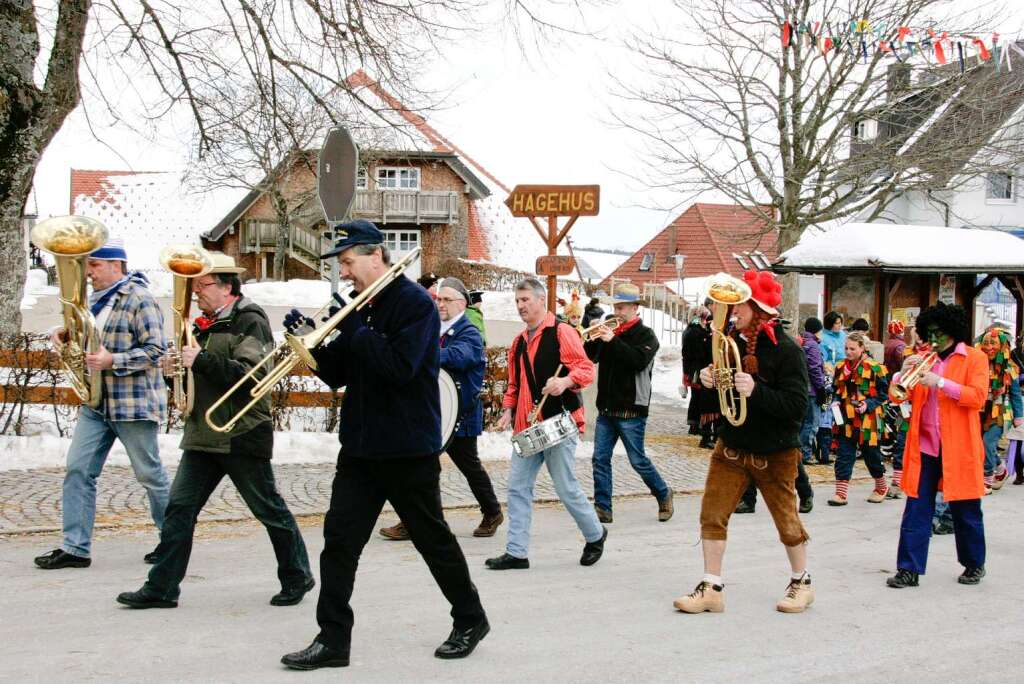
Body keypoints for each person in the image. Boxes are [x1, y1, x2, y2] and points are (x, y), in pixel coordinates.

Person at [281, 220, 488, 670]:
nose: (346, 272)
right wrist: (308, 344)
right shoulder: (362, 308)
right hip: (361, 447)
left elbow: (399, 368)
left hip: (407, 447)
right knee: (339, 541)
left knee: (432, 539)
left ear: (375, 255)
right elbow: (339, 372)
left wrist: (354, 330)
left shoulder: (415, 305)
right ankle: (333, 639)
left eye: (349, 262)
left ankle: (470, 618)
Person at [116, 253, 313, 609]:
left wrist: (200, 360)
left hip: (240, 431)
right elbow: (196, 378)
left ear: (227, 288)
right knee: (179, 510)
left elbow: (253, 377)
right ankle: (161, 587)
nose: (195, 293)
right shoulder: (202, 325)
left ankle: (297, 575)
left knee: (268, 508)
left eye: (201, 285)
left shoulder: (250, 320)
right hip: (204, 433)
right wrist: (171, 369)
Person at [673, 270, 813, 615]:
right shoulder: (728, 342)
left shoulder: (788, 350)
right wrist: (706, 379)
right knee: (712, 515)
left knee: (786, 520)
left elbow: (797, 407)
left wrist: (757, 391)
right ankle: (711, 587)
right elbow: (721, 392)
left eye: (740, 305)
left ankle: (802, 582)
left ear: (758, 309)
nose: (732, 310)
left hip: (775, 450)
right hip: (732, 445)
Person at [34, 237, 171, 570]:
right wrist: (64, 333)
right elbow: (87, 336)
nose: (89, 272)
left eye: (94, 265)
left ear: (116, 265)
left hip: (132, 405)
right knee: (78, 469)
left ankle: (173, 541)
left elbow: (156, 351)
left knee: (150, 475)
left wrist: (114, 360)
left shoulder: (140, 299)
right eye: (87, 266)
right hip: (96, 404)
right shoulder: (92, 300)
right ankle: (75, 548)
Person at [485, 277, 607, 570]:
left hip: (559, 423)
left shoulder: (562, 331)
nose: (520, 306)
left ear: (542, 301)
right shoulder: (518, 341)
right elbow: (515, 384)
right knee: (517, 487)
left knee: (565, 486)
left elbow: (585, 369)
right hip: (528, 428)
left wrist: (564, 381)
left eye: (526, 300)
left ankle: (595, 534)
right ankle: (517, 552)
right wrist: (508, 410)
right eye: (517, 301)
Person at [379, 277, 504, 540]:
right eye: (438, 299)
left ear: (461, 303)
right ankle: (415, 521)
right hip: (435, 412)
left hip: (461, 413)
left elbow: (460, 356)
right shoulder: (434, 328)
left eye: (446, 300)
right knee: (422, 467)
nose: (441, 304)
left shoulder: (469, 332)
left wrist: (424, 355)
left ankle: (492, 511)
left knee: (469, 466)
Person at [886, 302, 989, 589]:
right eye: (928, 333)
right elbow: (897, 397)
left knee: (966, 509)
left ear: (953, 332)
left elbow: (978, 397)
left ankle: (973, 564)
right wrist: (900, 375)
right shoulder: (922, 357)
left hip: (959, 447)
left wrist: (941, 383)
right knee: (916, 508)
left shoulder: (975, 358)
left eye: (938, 333)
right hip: (925, 445)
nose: (933, 339)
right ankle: (908, 569)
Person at [584, 282, 673, 524]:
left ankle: (664, 493)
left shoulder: (647, 336)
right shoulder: (610, 332)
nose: (617, 312)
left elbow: (637, 361)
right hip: (607, 406)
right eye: (616, 307)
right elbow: (591, 357)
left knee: (638, 461)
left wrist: (612, 339)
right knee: (600, 459)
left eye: (622, 307)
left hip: (632, 408)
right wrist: (592, 336)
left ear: (635, 308)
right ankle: (603, 507)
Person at [734, 316, 823, 515]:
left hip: (782, 411)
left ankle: (806, 492)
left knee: (791, 459)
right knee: (748, 452)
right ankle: (748, 499)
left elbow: (801, 382)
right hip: (755, 406)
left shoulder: (789, 347)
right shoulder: (747, 345)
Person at [829, 332, 890, 505]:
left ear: (862, 348)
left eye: (852, 349)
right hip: (845, 419)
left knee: (871, 455)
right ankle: (840, 494)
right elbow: (835, 390)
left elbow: (884, 394)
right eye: (846, 348)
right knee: (844, 454)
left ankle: (881, 487)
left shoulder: (875, 368)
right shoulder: (840, 366)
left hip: (868, 420)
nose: (848, 352)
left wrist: (868, 404)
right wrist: (833, 403)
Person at [977, 327, 1023, 491]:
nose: (989, 347)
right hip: (980, 410)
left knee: (987, 443)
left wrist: (1019, 417)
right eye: (986, 343)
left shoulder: (1010, 368)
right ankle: (1000, 469)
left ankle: (987, 478)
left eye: (993, 343)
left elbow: (1016, 394)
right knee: (979, 444)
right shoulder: (978, 364)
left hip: (1000, 412)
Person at [683, 306, 718, 448]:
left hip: (698, 369)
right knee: (702, 401)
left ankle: (698, 428)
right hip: (700, 370)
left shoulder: (694, 330)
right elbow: (698, 353)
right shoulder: (697, 332)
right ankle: (704, 433)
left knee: (699, 399)